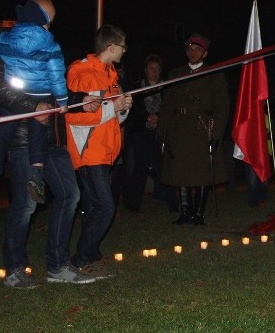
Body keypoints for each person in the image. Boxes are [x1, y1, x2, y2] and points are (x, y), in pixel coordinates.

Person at [0, 54, 102, 287]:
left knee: (70, 196)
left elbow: (57, 92)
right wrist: (34, 106)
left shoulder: (46, 56)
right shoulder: (4, 56)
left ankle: (57, 265)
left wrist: (80, 99)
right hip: (24, 141)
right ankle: (15, 269)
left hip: (54, 141)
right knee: (26, 206)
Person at [0, 0, 69, 204]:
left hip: (15, 98)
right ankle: (36, 178)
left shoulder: (6, 39)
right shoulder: (51, 46)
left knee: (3, 130)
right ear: (44, 21)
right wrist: (62, 102)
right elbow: (57, 76)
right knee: (38, 136)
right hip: (40, 98)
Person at [65, 25, 133, 273]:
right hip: (89, 151)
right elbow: (73, 117)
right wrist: (112, 109)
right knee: (106, 206)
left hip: (106, 151)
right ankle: (81, 258)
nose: (125, 51)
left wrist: (123, 108)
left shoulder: (112, 76)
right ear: (111, 47)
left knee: (96, 206)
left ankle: (91, 255)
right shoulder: (83, 73)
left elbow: (115, 118)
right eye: (123, 46)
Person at [158, 33, 229, 225]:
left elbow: (222, 108)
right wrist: (161, 131)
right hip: (178, 129)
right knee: (181, 172)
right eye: (189, 49)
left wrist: (217, 134)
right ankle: (185, 212)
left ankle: (198, 213)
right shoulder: (175, 74)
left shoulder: (214, 74)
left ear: (205, 53)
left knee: (202, 172)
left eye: (197, 49)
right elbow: (166, 106)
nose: (193, 52)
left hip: (201, 129)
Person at [122, 54, 167, 212]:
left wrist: (158, 117)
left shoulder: (166, 87)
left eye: (157, 69)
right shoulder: (138, 87)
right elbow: (133, 110)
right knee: (139, 167)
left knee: (162, 165)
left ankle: (166, 198)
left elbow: (169, 107)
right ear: (145, 70)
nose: (155, 72)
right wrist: (147, 117)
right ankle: (133, 202)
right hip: (141, 133)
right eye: (151, 69)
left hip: (160, 132)